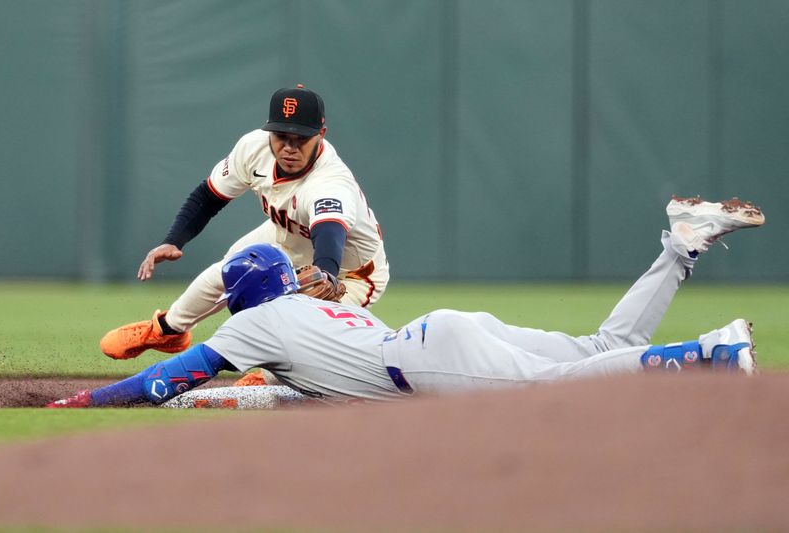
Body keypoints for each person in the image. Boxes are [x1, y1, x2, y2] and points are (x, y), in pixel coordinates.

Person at [48, 196, 765, 408]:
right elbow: (278, 391)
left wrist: (90, 402)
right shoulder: (314, 311)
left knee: (557, 389)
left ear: (238, 301)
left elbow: (169, 376)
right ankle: (680, 245)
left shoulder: (256, 325)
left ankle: (707, 353)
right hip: (436, 337)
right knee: (596, 352)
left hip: (429, 360)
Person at [99, 84, 389, 367]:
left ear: (321, 135)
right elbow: (209, 196)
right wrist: (174, 240)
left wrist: (325, 275)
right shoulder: (254, 147)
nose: (289, 147)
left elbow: (330, 234)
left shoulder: (330, 183)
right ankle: (168, 331)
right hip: (287, 236)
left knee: (303, 336)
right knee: (231, 269)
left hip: (352, 272)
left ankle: (267, 379)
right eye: (281, 135)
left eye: (301, 137)